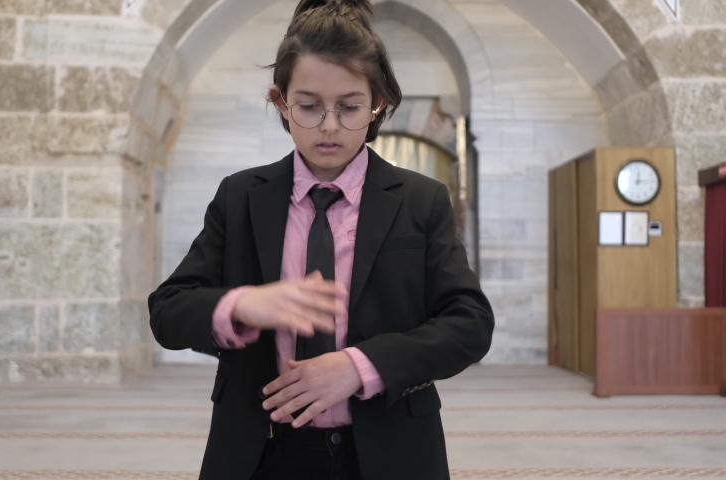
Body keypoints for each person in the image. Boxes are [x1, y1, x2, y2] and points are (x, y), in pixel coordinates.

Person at [147, 0, 494, 478]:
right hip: (261, 452)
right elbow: (167, 310)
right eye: (309, 106)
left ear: (378, 104)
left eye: (349, 107)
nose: (329, 126)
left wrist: (360, 366)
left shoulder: (421, 200)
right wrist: (243, 305)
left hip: (389, 452)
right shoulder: (241, 196)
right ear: (280, 103)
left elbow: (469, 323)